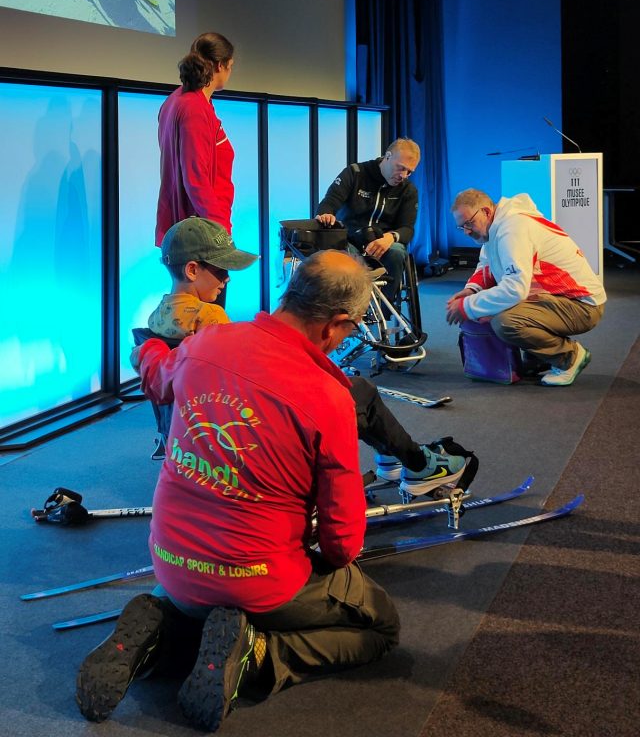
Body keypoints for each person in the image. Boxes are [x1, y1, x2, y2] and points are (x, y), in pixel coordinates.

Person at [76, 250, 400, 730]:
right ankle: (261, 655)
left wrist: (147, 347)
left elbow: (156, 375)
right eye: (351, 329)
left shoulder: (205, 344)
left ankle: (164, 632)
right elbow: (342, 542)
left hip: (172, 564)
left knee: (203, 596)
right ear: (334, 325)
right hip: (258, 579)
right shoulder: (329, 396)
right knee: (381, 627)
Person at [147, 217, 471, 495]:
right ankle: (416, 463)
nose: (227, 278)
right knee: (361, 392)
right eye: (221, 270)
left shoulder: (154, 322)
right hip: (251, 431)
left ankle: (392, 454)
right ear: (192, 269)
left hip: (196, 436)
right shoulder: (213, 324)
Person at [446, 189, 606, 386]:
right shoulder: (497, 227)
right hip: (559, 298)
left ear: (486, 212)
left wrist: (467, 306)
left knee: (505, 322)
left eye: (469, 223)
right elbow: (487, 264)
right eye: (461, 227)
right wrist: (472, 290)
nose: (467, 232)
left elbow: (515, 289)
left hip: (582, 306)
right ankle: (538, 358)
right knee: (496, 307)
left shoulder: (513, 228)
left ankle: (569, 358)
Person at [155, 32, 236, 305]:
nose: (230, 73)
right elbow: (196, 179)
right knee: (206, 323)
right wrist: (220, 231)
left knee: (196, 318)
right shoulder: (193, 108)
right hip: (203, 234)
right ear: (219, 66)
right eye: (231, 67)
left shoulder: (178, 101)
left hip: (193, 228)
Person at [315, 138, 421, 303]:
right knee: (343, 256)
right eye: (400, 168)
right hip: (349, 241)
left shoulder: (408, 190)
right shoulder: (355, 173)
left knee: (398, 251)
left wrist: (390, 237)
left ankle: (384, 309)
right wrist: (326, 214)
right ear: (387, 156)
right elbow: (329, 203)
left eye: (409, 172)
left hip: (382, 243)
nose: (403, 176)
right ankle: (350, 307)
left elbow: (407, 228)